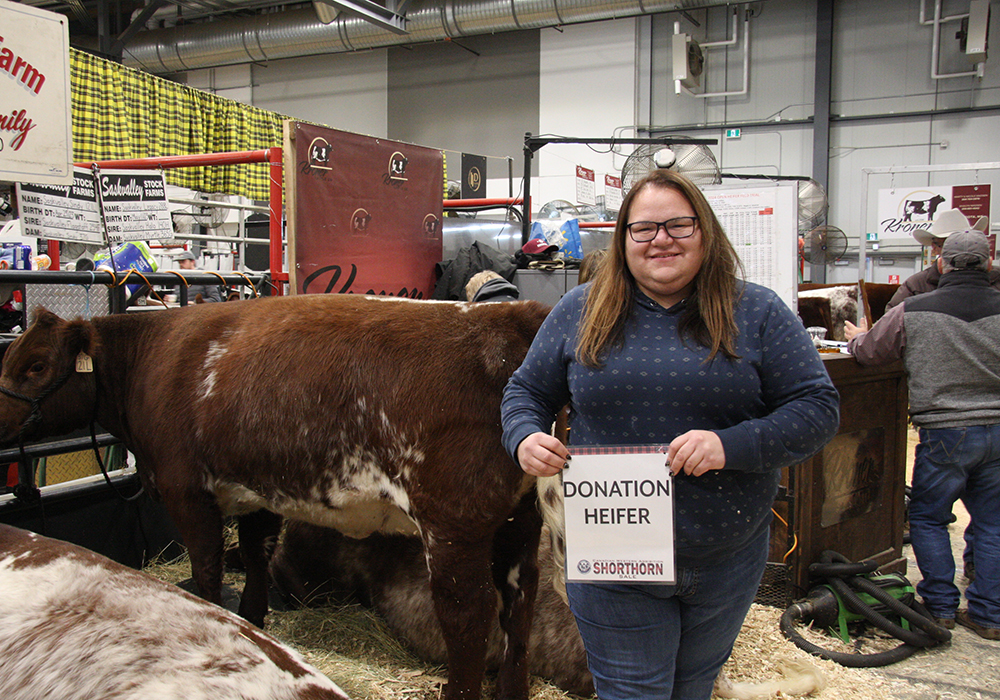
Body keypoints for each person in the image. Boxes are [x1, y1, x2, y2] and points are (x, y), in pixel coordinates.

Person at [500, 169, 840, 699]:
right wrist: (523, 436)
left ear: (705, 230)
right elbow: (525, 392)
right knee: (635, 690)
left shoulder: (757, 311)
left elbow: (817, 408)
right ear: (624, 239)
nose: (661, 239)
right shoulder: (580, 310)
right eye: (644, 229)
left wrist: (731, 445)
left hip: (725, 552)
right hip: (614, 549)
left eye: (678, 225)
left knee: (693, 688)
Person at [847, 229, 1000, 641]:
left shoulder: (914, 309)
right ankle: (988, 616)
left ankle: (941, 608)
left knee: (929, 518)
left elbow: (868, 353)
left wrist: (856, 338)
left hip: (945, 431)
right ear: (989, 264)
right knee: (992, 523)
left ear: (941, 264)